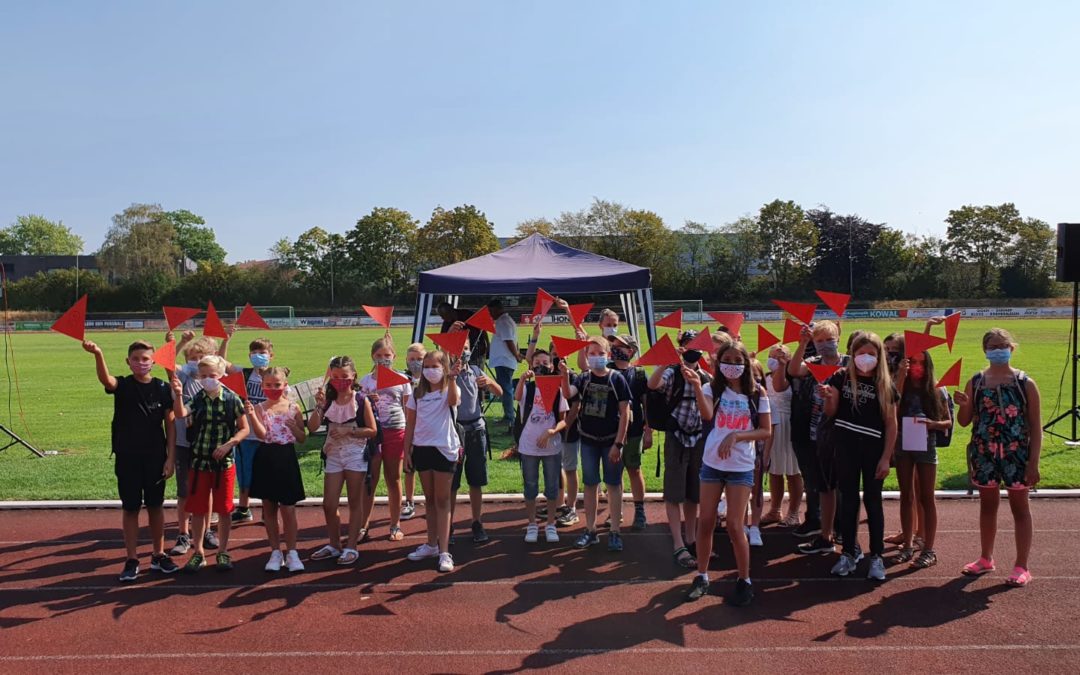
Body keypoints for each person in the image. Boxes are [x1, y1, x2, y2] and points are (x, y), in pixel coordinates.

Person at [83, 339, 182, 582]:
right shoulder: (124, 385)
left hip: (156, 457)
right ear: (128, 362)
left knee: (156, 506)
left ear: (153, 362)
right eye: (136, 359)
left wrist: (171, 458)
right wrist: (98, 353)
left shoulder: (161, 388)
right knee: (131, 508)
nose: (140, 363)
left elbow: (171, 425)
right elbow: (107, 381)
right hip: (127, 457)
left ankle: (158, 555)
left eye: (145, 359)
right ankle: (131, 558)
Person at [684, 341, 771, 605]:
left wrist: (737, 435)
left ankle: (744, 579)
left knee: (735, 525)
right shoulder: (712, 388)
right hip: (712, 464)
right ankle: (701, 575)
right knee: (706, 520)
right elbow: (707, 414)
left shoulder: (757, 394)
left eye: (737, 360)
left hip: (741, 467)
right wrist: (698, 387)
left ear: (744, 363)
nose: (732, 365)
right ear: (718, 363)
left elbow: (766, 431)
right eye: (727, 360)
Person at [955, 328, 1041, 587]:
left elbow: (1036, 426)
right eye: (992, 346)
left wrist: (1033, 462)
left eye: (1002, 345)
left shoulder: (1025, 383)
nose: (997, 350)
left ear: (1011, 348)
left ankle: (1022, 565)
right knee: (987, 505)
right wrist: (963, 403)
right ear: (984, 350)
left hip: (1016, 454)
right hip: (984, 453)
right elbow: (964, 422)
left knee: (1020, 507)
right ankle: (985, 558)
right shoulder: (977, 381)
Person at [821, 332, 897, 581]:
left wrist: (886, 457)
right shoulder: (841, 377)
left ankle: (876, 556)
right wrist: (828, 399)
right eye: (861, 353)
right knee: (849, 501)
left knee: (873, 502)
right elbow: (830, 412)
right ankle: (849, 553)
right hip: (845, 447)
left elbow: (891, 423)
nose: (866, 358)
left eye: (872, 354)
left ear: (879, 357)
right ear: (852, 355)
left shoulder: (885, 384)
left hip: (873, 450)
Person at [647, 330, 713, 569]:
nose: (692, 349)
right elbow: (652, 385)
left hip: (698, 438)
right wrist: (666, 359)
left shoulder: (705, 377)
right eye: (688, 344)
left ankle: (692, 538)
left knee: (693, 491)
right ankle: (678, 543)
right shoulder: (672, 373)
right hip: (676, 435)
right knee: (674, 490)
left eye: (696, 345)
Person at [179, 354, 250, 573]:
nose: (208, 379)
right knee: (199, 509)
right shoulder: (197, 398)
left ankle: (223, 550)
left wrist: (230, 444)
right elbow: (181, 413)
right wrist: (177, 393)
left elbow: (244, 428)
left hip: (224, 462)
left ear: (221, 375)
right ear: (199, 377)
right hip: (199, 462)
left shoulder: (232, 399)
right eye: (204, 375)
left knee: (225, 509)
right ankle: (198, 552)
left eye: (213, 375)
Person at [307, 355, 377, 566]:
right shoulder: (327, 400)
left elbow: (372, 431)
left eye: (344, 376)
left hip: (355, 453)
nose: (340, 381)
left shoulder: (360, 399)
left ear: (353, 376)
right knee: (329, 504)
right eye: (335, 377)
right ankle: (334, 544)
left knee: (355, 501)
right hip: (334, 454)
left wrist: (348, 430)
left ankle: (352, 546)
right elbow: (311, 428)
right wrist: (318, 406)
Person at [787, 321, 847, 555]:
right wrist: (802, 343)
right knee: (824, 485)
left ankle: (844, 531)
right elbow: (793, 370)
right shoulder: (812, 363)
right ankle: (826, 533)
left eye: (829, 339)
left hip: (844, 432)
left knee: (843, 485)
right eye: (819, 341)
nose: (824, 345)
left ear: (838, 338)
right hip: (817, 432)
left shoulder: (849, 362)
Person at [569, 337, 631, 551]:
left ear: (608, 355)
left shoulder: (617, 379)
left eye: (600, 353)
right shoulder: (583, 379)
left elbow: (625, 413)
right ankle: (590, 530)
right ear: (586, 355)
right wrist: (561, 373)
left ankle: (614, 530)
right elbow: (568, 394)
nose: (596, 357)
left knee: (613, 484)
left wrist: (619, 444)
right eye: (591, 353)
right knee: (590, 484)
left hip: (610, 441)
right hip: (588, 440)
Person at [243, 366, 306, 573]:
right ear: (262, 386)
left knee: (288, 509)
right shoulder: (260, 408)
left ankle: (293, 552)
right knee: (268, 508)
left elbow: (302, 437)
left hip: (286, 458)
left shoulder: (293, 408)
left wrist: (294, 426)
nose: (273, 388)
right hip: (266, 457)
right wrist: (252, 415)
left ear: (285, 385)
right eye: (268, 385)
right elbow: (262, 435)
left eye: (277, 385)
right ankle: (275, 552)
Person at [404, 349, 462, 573]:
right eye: (426, 366)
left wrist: (453, 377)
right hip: (421, 449)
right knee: (429, 500)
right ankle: (430, 544)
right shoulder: (417, 393)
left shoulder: (449, 388)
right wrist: (407, 451)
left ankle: (444, 550)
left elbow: (454, 400)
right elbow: (410, 424)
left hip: (444, 449)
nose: (429, 370)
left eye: (434, 366)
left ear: (444, 368)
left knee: (442, 500)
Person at [894, 348, 951, 569]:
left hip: (926, 445)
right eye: (913, 363)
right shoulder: (902, 386)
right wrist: (900, 377)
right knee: (906, 494)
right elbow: (892, 408)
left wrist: (932, 424)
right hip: (902, 444)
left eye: (921, 363)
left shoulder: (937, 389)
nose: (917, 367)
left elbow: (947, 422)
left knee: (927, 497)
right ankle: (908, 545)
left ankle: (928, 549)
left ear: (928, 366)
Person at [167, 331, 220, 556]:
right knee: (184, 491)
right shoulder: (184, 379)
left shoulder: (213, 383)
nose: (197, 363)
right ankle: (183, 533)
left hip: (206, 444)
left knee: (206, 490)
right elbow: (168, 365)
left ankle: (207, 530)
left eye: (202, 358)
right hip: (183, 443)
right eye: (193, 358)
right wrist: (179, 343)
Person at [450, 334, 503, 544]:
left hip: (476, 430)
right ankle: (449, 524)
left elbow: (500, 392)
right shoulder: (447, 374)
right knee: (452, 483)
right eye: (457, 347)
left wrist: (489, 382)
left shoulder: (476, 371)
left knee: (476, 481)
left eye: (465, 347)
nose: (462, 351)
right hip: (454, 432)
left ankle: (477, 522)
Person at [359, 337, 412, 542]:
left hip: (396, 432)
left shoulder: (402, 380)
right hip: (373, 434)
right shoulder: (366, 381)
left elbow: (409, 410)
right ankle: (363, 525)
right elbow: (359, 411)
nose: (383, 359)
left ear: (394, 357)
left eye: (387, 356)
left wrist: (410, 436)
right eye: (379, 356)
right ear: (372, 356)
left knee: (394, 479)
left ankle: (395, 524)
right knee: (370, 480)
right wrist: (367, 402)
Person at [515, 349, 569, 543]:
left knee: (552, 487)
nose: (541, 365)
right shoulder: (528, 389)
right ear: (531, 365)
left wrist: (553, 431)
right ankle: (531, 524)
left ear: (552, 365)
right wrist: (522, 379)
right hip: (529, 445)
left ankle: (551, 524)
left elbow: (564, 420)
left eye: (545, 362)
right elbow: (516, 397)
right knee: (530, 486)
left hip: (551, 447)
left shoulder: (558, 389)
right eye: (537, 362)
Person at [607, 333, 651, 530]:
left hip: (634, 429)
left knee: (634, 468)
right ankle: (616, 511)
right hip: (610, 429)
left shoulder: (639, 373)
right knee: (614, 471)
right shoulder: (606, 370)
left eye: (620, 346)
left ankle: (640, 510)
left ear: (631, 351)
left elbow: (646, 403)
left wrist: (649, 430)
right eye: (614, 344)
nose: (615, 347)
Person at [230, 337, 274, 525]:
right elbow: (222, 364)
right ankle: (243, 508)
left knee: (266, 473)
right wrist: (227, 339)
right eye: (255, 353)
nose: (259, 356)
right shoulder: (244, 374)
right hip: (246, 433)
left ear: (271, 355)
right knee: (244, 471)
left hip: (267, 434)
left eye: (262, 353)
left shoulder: (275, 376)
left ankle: (268, 510)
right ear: (249, 355)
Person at [762, 345, 803, 528]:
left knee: (793, 472)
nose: (774, 359)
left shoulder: (791, 378)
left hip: (788, 426)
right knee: (775, 471)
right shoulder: (766, 376)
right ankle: (775, 510)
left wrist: (781, 365)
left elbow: (778, 387)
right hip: (771, 426)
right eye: (771, 356)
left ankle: (794, 513)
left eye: (779, 357)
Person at [488, 298, 523, 434]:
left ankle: (509, 417)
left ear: (497, 309)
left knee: (506, 389)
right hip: (504, 360)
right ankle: (508, 416)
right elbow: (514, 340)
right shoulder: (505, 321)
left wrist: (516, 355)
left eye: (491, 311)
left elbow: (509, 341)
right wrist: (517, 354)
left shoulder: (503, 322)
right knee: (505, 388)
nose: (490, 314)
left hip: (504, 360)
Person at [401, 343, 427, 522]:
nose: (416, 363)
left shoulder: (432, 379)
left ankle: (430, 501)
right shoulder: (401, 379)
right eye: (412, 359)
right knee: (409, 469)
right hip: (408, 428)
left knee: (427, 469)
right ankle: (409, 501)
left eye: (420, 359)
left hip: (427, 430)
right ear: (406, 360)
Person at [437, 301, 489, 366]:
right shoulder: (446, 323)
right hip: (458, 354)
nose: (442, 318)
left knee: (477, 372)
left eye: (443, 315)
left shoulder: (468, 314)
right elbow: (443, 339)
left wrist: (487, 345)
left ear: (450, 311)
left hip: (477, 351)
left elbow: (483, 329)